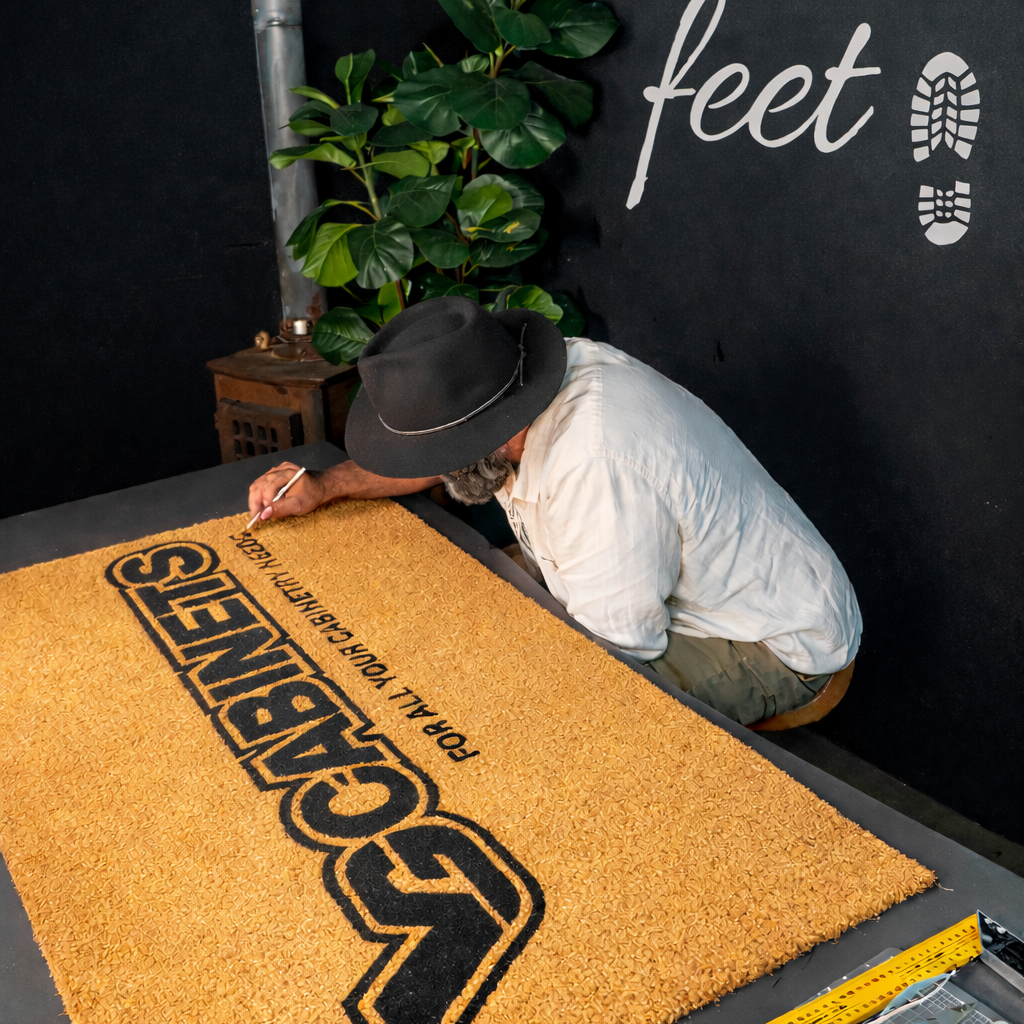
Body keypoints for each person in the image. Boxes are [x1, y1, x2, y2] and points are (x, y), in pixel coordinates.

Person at [248, 297, 861, 725]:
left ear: (486, 431)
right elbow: (444, 453)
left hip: (762, 637)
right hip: (633, 572)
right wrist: (326, 486)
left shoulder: (593, 466)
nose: (427, 462)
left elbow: (619, 651)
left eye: (439, 449)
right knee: (462, 610)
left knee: (555, 718)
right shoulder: (516, 380)